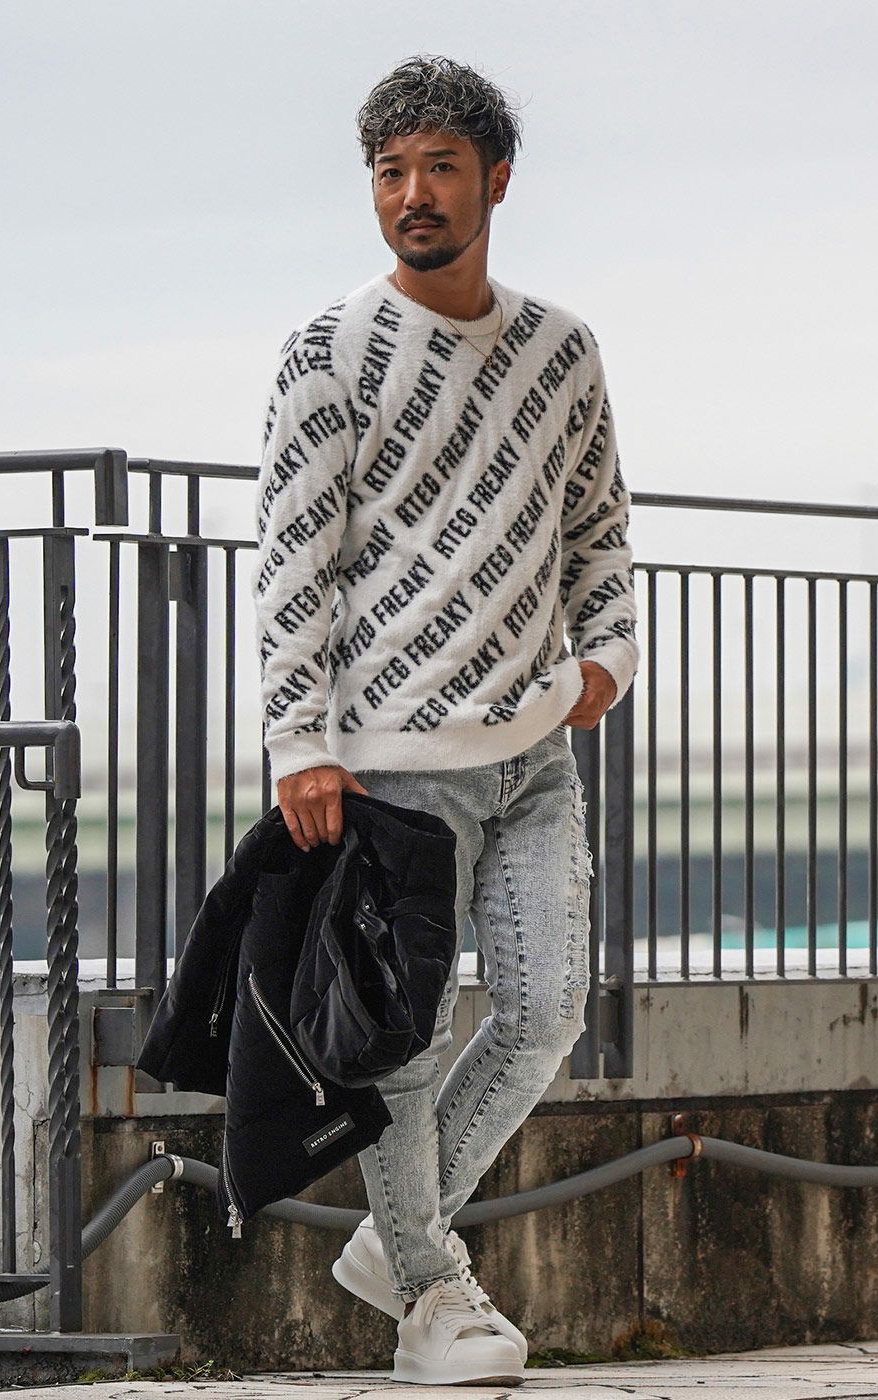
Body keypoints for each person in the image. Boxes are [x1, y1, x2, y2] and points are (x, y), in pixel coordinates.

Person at [252, 54, 639, 1387]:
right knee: (404, 1043)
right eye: (390, 171)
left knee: (545, 1013)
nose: (412, 193)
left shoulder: (560, 351)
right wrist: (299, 741)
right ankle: (428, 1295)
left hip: (534, 756)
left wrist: (609, 656)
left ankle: (399, 1238)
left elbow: (598, 529)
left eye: (440, 167)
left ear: (496, 181)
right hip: (391, 769)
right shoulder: (329, 353)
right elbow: (294, 561)